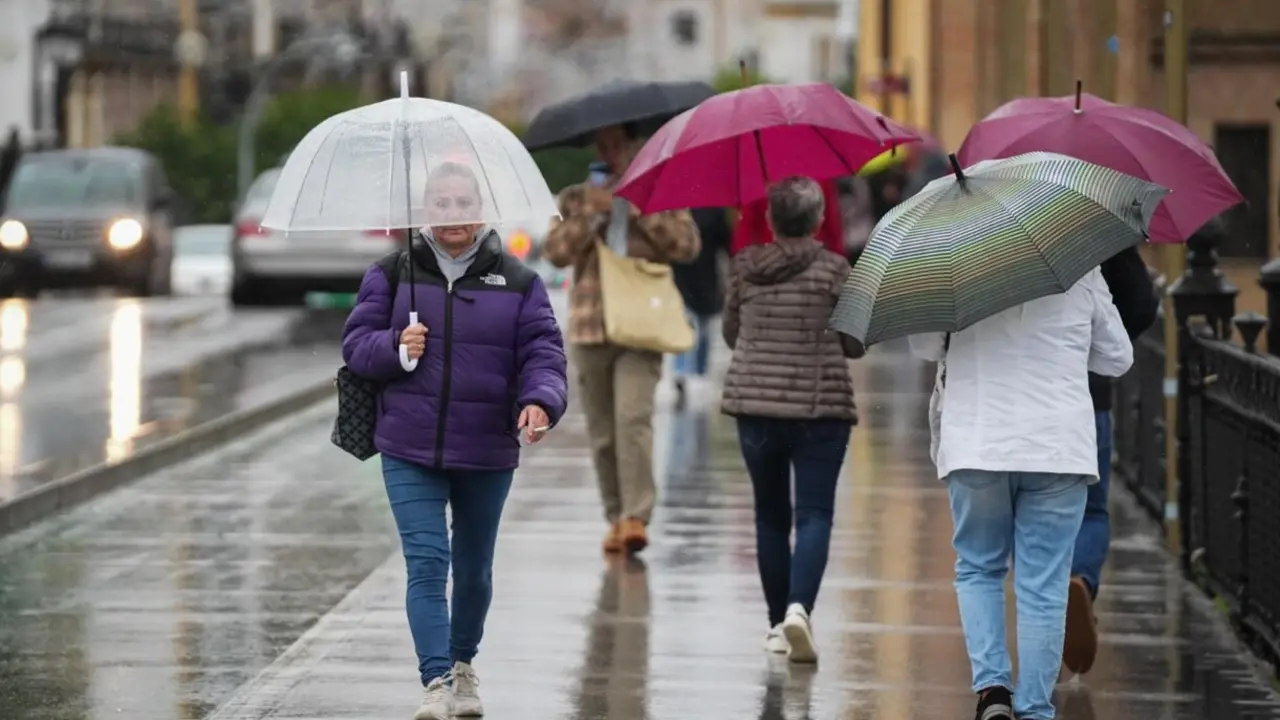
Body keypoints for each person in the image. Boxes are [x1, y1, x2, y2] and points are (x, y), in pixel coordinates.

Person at [341, 161, 569, 720]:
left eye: (462, 202)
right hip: (407, 444)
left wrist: (540, 401)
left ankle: (463, 665)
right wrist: (397, 345)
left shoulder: (519, 282)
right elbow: (356, 346)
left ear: (482, 210)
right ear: (424, 211)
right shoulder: (392, 274)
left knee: (473, 569)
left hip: (486, 447)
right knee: (426, 561)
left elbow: (544, 353)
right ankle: (436, 681)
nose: (451, 214)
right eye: (439, 203)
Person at [909, 268, 1133, 720]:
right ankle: (1034, 707)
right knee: (1044, 585)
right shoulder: (1079, 268)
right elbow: (1117, 358)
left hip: (977, 439)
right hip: (1056, 445)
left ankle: (993, 692)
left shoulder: (954, 263)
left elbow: (926, 346)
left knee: (978, 567)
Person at [720, 176, 864, 664]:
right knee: (815, 513)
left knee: (769, 516)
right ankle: (800, 609)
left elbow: (730, 333)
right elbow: (853, 344)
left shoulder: (745, 268)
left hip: (756, 407)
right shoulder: (836, 270)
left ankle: (776, 625)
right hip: (821, 410)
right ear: (820, 219)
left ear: (772, 220)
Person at [543, 123, 700, 556]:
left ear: (635, 146)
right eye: (604, 144)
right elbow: (555, 251)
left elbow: (687, 246)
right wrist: (591, 215)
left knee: (633, 419)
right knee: (603, 432)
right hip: (591, 324)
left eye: (619, 144)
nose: (611, 152)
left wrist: (639, 209)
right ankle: (615, 516)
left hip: (641, 323)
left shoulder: (659, 189)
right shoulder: (576, 197)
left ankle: (636, 516)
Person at [1063, 244, 1158, 676]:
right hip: (1088, 394)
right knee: (1092, 509)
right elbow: (1141, 302)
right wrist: (1102, 343)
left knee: (1029, 512)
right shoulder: (1094, 226)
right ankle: (1081, 579)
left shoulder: (997, 224)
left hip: (1020, 401)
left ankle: (1044, 613)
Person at [672, 207, 731, 406]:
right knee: (692, 326)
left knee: (694, 326)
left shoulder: (677, 209)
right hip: (697, 277)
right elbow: (726, 243)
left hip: (695, 278)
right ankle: (692, 373)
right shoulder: (713, 211)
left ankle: (687, 372)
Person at [732, 177, 844, 256]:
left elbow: (745, 228)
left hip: (769, 261)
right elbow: (832, 225)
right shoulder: (820, 176)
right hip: (813, 262)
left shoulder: (758, 177)